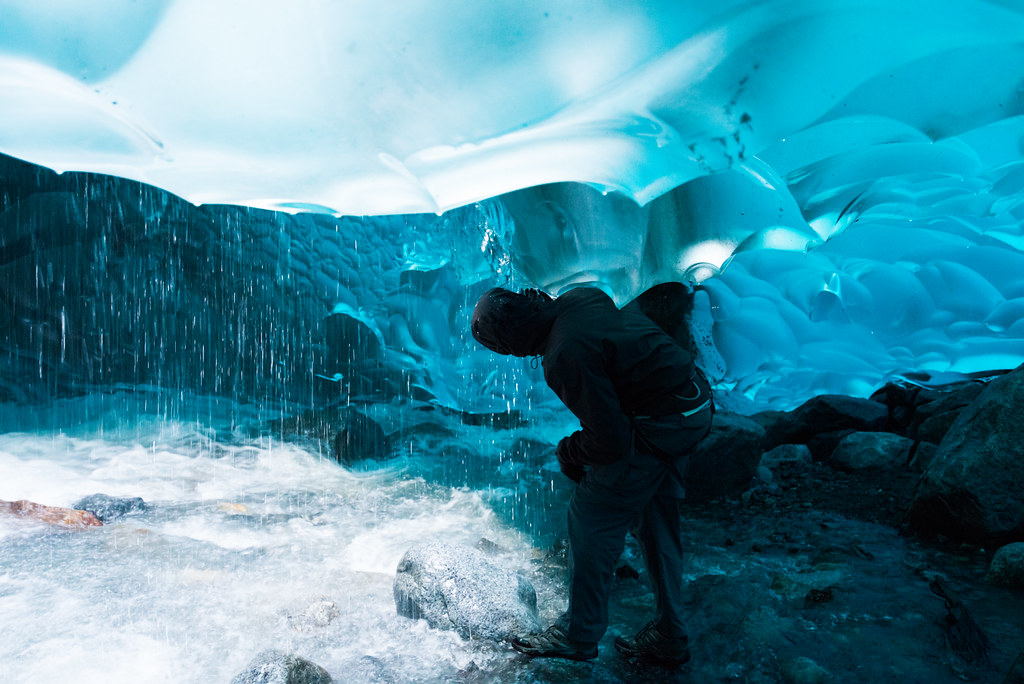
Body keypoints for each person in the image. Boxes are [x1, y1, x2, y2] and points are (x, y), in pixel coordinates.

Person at [470, 285, 713, 665]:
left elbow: (611, 441)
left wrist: (569, 451)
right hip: (692, 401)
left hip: (663, 422)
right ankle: (670, 632)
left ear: (513, 342)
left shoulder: (564, 353)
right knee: (655, 519)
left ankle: (577, 636)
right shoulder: (580, 298)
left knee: (590, 514)